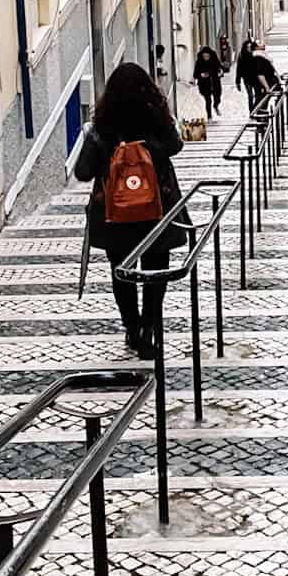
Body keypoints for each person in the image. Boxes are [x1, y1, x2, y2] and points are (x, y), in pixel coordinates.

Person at [74, 62, 188, 357]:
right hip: (157, 212)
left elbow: (82, 172)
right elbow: (176, 145)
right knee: (155, 271)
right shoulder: (156, 120)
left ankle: (132, 326)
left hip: (116, 217)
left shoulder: (103, 128)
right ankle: (150, 326)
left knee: (121, 273)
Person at [193, 44, 223, 118]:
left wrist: (220, 72)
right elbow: (195, 74)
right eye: (204, 56)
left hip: (215, 82)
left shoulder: (214, 60)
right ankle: (209, 116)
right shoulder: (199, 62)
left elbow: (220, 69)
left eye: (207, 56)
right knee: (208, 100)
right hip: (204, 85)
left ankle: (216, 106)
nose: (206, 57)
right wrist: (201, 75)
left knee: (217, 98)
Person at [235, 37, 258, 111]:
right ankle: (251, 112)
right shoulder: (242, 56)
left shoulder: (255, 54)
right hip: (247, 79)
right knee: (250, 96)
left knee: (258, 95)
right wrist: (238, 82)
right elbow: (238, 69)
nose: (249, 48)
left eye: (250, 46)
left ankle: (256, 109)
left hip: (256, 79)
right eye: (247, 47)